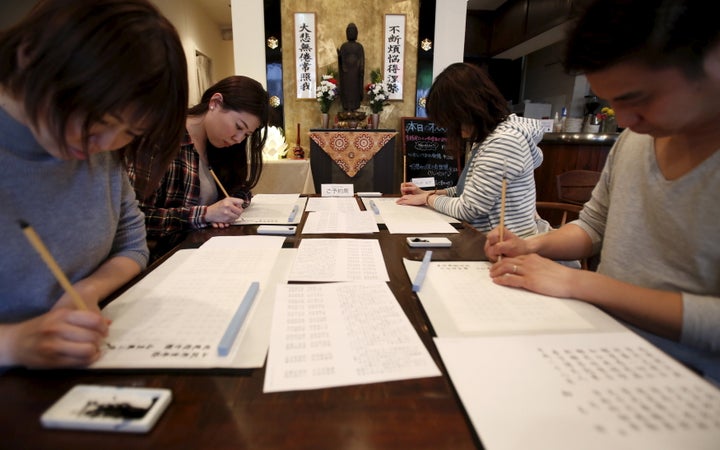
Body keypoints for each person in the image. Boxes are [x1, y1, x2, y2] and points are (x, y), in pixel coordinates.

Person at [484, 0, 720, 385]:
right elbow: (593, 226)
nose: (623, 120)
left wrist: (581, 283)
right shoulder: (634, 141)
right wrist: (531, 245)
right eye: (613, 103)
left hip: (687, 382)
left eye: (637, 98)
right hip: (598, 341)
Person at [0, 0, 188, 369]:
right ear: (31, 56)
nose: (104, 144)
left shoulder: (98, 150)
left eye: (131, 133)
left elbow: (132, 244)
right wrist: (12, 343)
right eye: (100, 120)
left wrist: (84, 293)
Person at [127, 76, 269, 260]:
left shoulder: (221, 146)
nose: (238, 139)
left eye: (246, 134)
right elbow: (136, 220)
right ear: (215, 102)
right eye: (238, 127)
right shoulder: (160, 140)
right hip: (165, 260)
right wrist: (206, 214)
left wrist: (231, 206)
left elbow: (239, 189)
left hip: (207, 251)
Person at [397, 62, 545, 237]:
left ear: (468, 109)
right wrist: (431, 193)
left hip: (507, 247)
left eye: (450, 119)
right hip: (484, 239)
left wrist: (428, 199)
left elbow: (470, 208)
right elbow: (470, 190)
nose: (449, 128)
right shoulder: (487, 137)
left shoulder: (503, 142)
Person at [337, 23, 365, 111]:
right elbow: (341, 63)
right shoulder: (344, 46)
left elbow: (362, 60)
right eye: (349, 32)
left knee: (355, 91)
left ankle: (355, 107)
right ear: (347, 33)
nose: (351, 33)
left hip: (356, 74)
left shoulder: (359, 47)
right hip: (346, 74)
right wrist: (340, 57)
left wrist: (361, 69)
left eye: (353, 32)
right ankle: (347, 107)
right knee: (347, 91)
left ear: (356, 33)